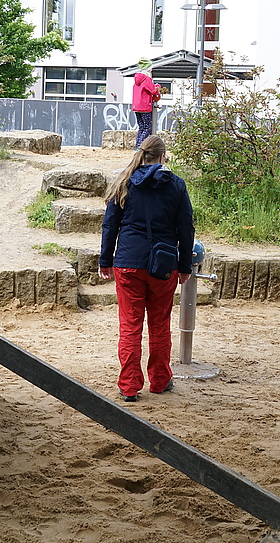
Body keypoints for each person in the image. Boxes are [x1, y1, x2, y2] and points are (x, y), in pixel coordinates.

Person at [98, 135, 194, 402]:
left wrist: (105, 260)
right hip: (163, 266)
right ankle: (160, 380)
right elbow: (185, 228)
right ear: (163, 157)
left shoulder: (125, 182)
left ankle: (129, 386)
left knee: (130, 325)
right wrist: (184, 264)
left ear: (142, 154)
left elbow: (110, 225)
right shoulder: (176, 185)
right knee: (160, 324)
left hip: (128, 263)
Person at [132, 57, 161, 149]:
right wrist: (157, 86)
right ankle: (140, 147)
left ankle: (137, 146)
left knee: (141, 127)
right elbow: (153, 90)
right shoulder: (146, 78)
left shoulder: (137, 78)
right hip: (145, 106)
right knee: (147, 127)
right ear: (149, 68)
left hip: (136, 106)